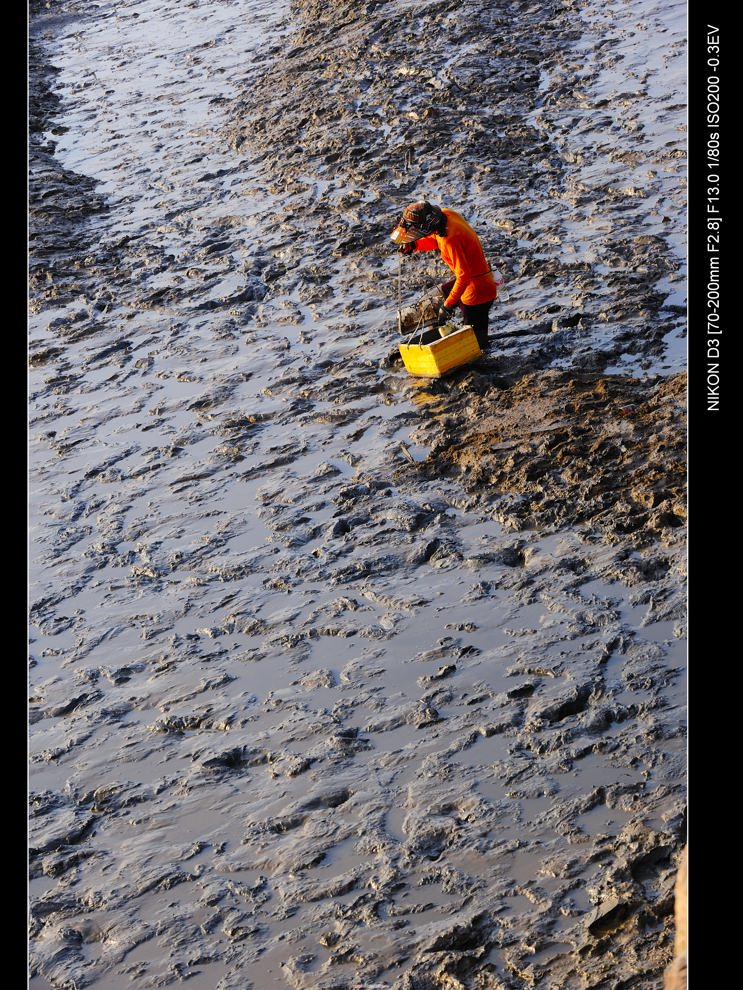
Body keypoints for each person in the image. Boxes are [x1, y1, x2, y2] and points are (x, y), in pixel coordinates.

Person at [390, 202, 498, 351]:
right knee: (431, 304)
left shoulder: (450, 240)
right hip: (475, 278)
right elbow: (436, 239)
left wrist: (448, 305)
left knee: (478, 346)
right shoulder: (445, 216)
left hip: (477, 292)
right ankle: (440, 337)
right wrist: (415, 245)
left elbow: (464, 277)